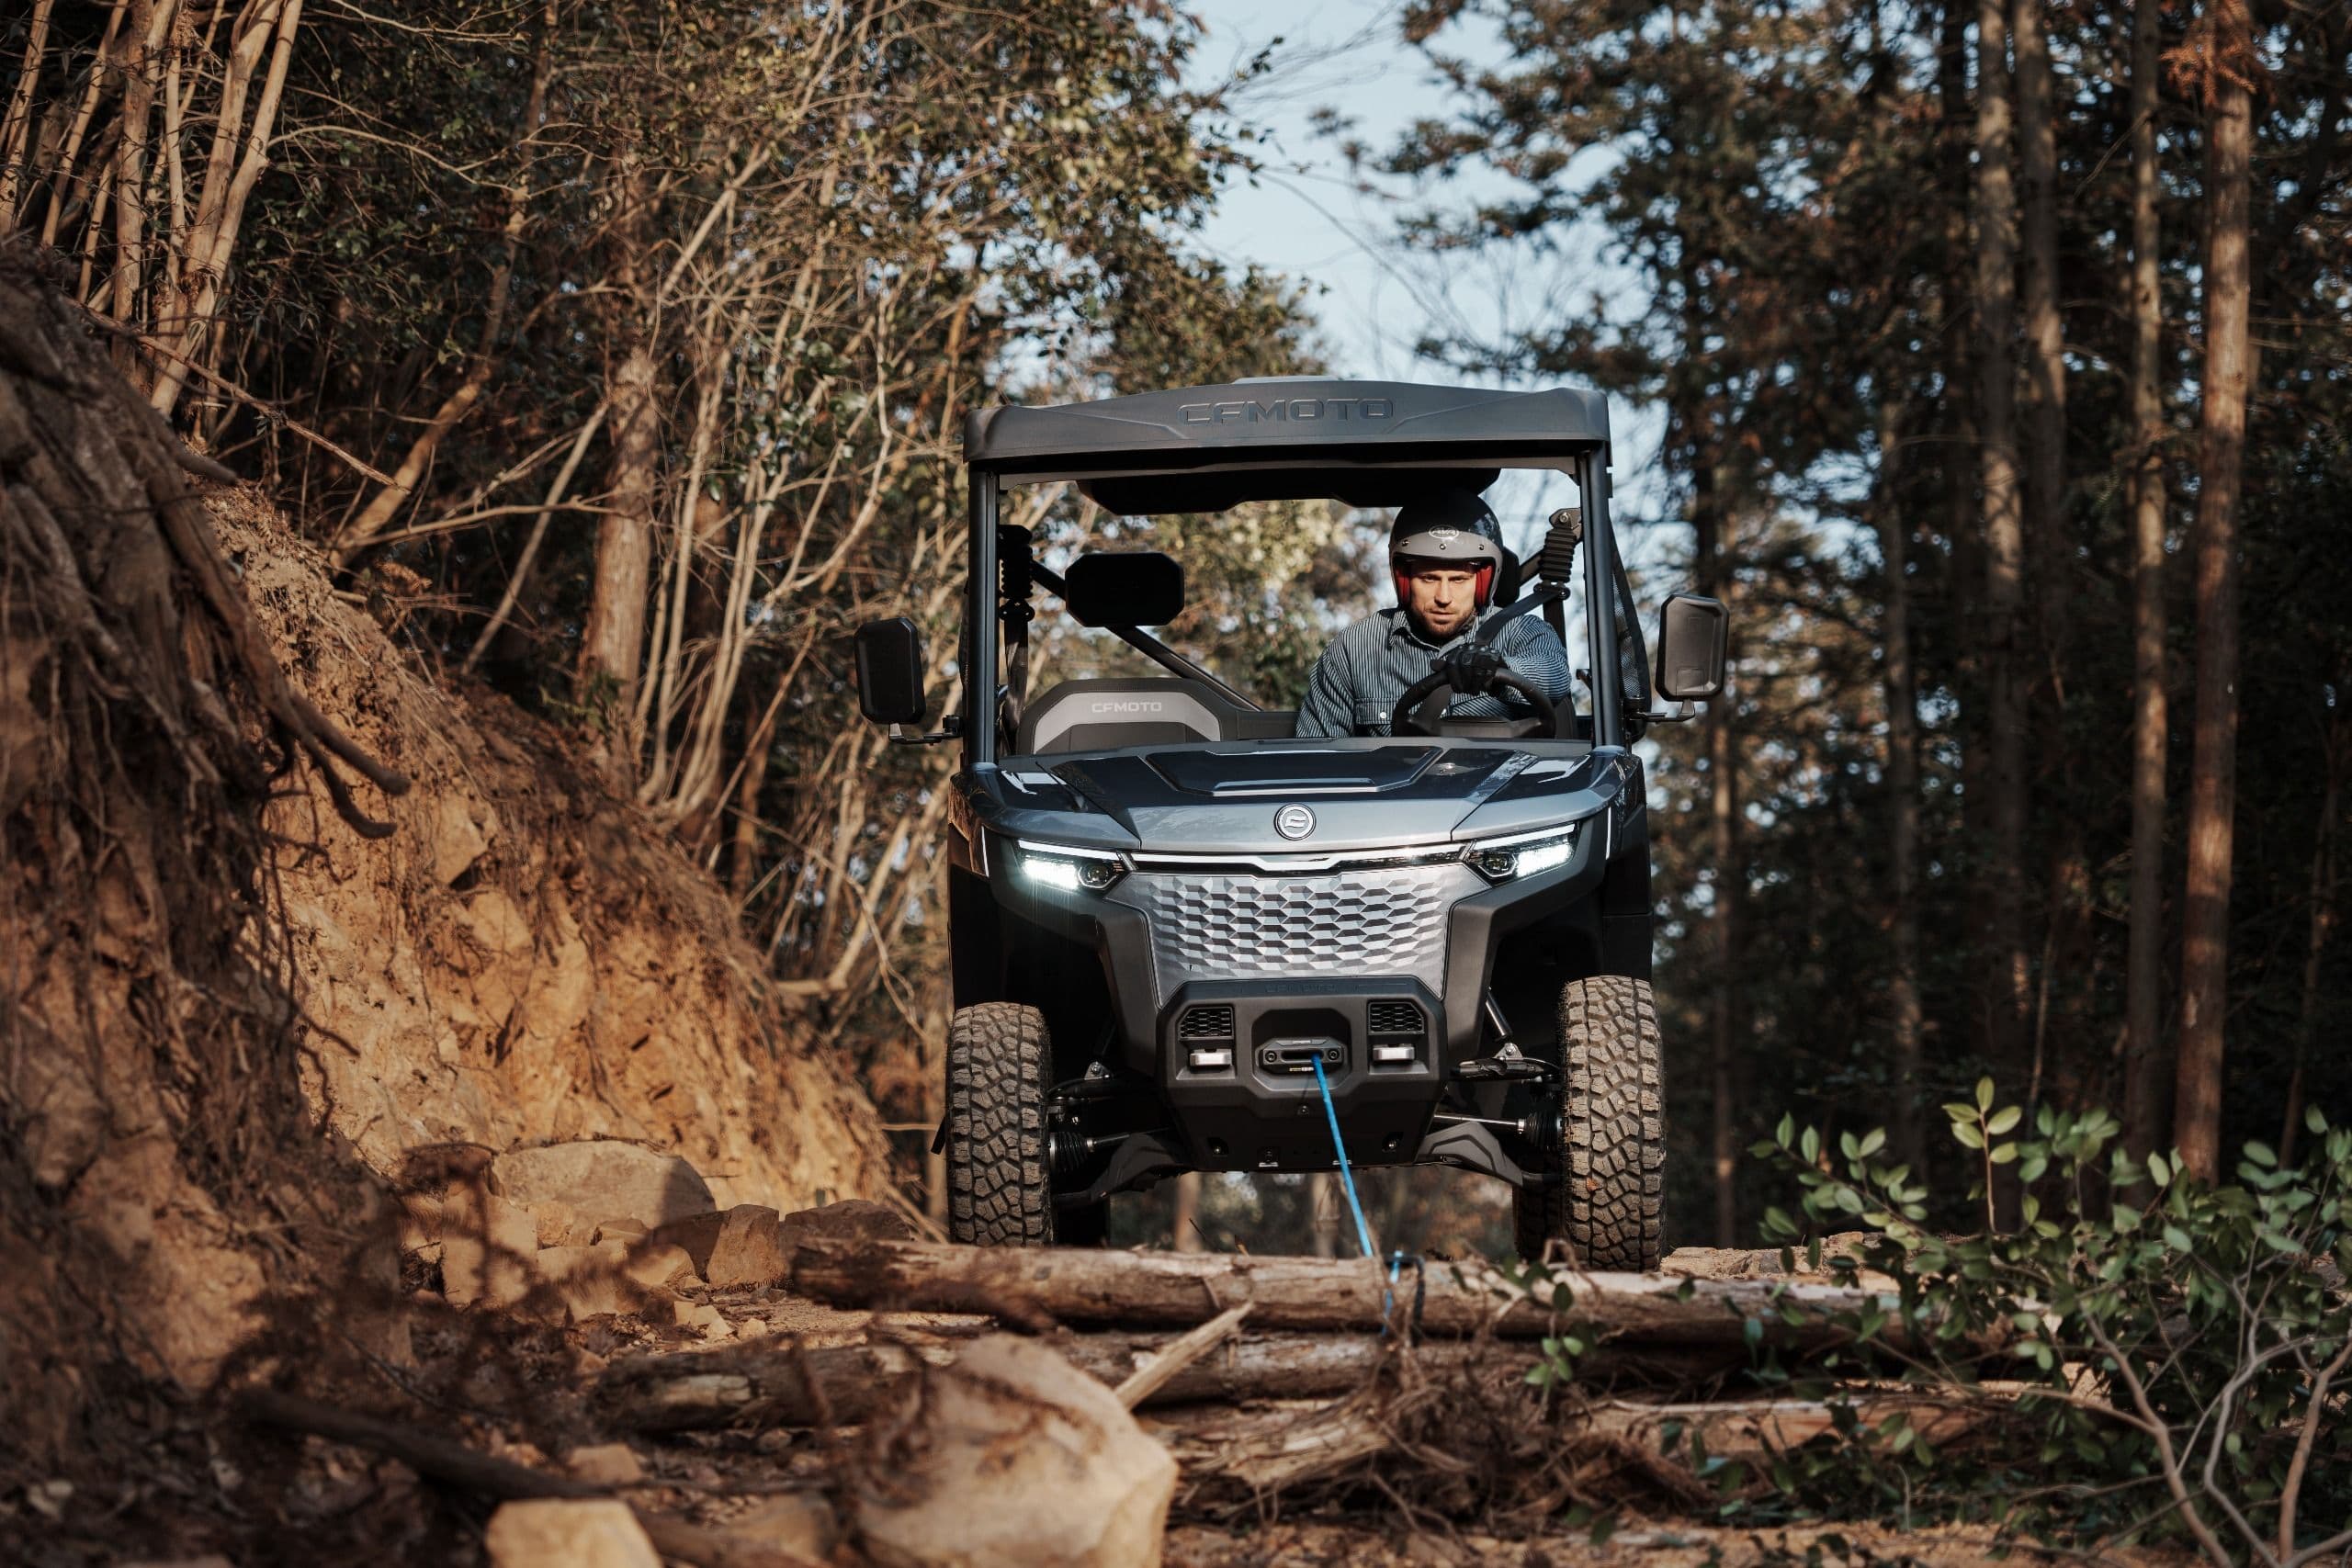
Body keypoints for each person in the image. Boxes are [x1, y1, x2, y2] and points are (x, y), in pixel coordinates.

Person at [1294, 491, 1573, 739]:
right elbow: (1318, 755)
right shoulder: (1354, 648)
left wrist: (1499, 669)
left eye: (1459, 580)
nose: (1443, 597)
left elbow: (1556, 675)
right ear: (1403, 580)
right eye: (1428, 578)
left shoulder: (1521, 631)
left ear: (1484, 582)